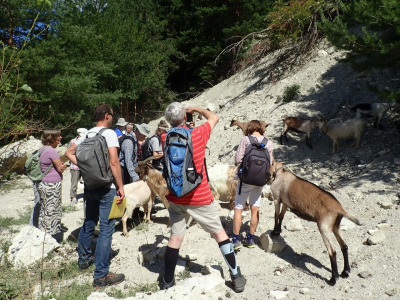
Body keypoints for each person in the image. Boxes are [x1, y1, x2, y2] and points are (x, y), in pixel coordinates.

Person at [160, 102, 246, 293]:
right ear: (184, 116)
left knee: (175, 238)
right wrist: (196, 109)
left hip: (175, 197)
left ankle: (167, 281)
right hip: (199, 197)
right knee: (219, 234)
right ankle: (236, 275)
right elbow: (214, 117)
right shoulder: (197, 134)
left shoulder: (165, 137)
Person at [65, 104, 125, 288]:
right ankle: (101, 276)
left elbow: (68, 153)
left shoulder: (86, 135)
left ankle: (83, 261)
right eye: (112, 115)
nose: (113, 118)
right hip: (106, 186)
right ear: (107, 115)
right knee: (106, 228)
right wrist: (121, 187)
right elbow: (114, 162)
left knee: (89, 222)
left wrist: (85, 167)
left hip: (90, 185)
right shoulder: (109, 134)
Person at [232, 120, 274, 250]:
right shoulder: (269, 143)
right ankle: (250, 239)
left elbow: (238, 159)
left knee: (238, 208)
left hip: (245, 179)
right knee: (254, 209)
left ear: (249, 128)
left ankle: (235, 240)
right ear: (261, 128)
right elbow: (271, 162)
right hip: (260, 181)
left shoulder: (245, 140)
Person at [35, 130, 67, 242]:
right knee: (52, 210)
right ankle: (48, 239)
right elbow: (60, 168)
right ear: (52, 138)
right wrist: (65, 166)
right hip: (52, 185)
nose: (60, 137)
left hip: (43, 183)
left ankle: (42, 234)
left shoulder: (42, 149)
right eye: (58, 136)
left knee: (44, 210)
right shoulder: (52, 151)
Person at [69, 128, 87, 205]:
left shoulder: (86, 141)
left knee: (87, 182)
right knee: (74, 183)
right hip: (75, 166)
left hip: (84, 165)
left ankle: (87, 196)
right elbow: (68, 153)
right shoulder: (73, 142)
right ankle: (73, 197)